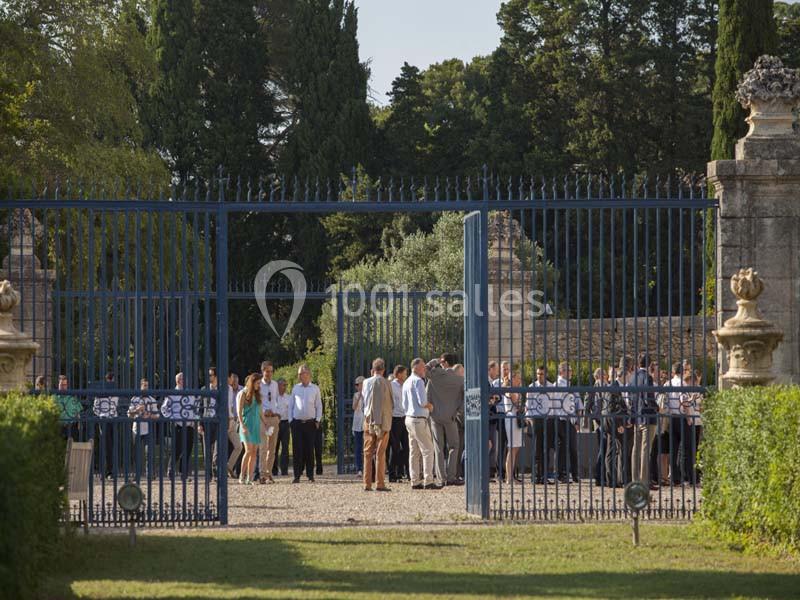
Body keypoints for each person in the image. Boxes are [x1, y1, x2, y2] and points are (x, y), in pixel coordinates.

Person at [426, 353, 464, 486]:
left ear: (446, 363)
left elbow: (427, 394)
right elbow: (465, 399)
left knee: (438, 448)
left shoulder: (434, 376)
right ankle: (451, 476)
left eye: (442, 362)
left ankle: (441, 478)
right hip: (451, 417)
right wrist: (457, 412)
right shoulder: (459, 380)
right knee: (454, 446)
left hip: (435, 417)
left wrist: (433, 362)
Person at [402, 358, 437, 489]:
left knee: (413, 451)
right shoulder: (418, 381)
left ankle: (414, 480)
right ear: (415, 368)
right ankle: (428, 481)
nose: (425, 370)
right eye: (423, 367)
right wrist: (430, 406)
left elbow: (404, 404)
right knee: (428, 449)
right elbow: (423, 402)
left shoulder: (406, 382)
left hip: (409, 419)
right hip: (418, 419)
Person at [361, 357, 394, 492]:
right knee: (380, 452)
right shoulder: (386, 383)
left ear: (372, 370)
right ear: (384, 370)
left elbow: (364, 399)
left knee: (367, 452)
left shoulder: (365, 382)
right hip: (383, 420)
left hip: (368, 419)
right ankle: (380, 483)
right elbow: (391, 402)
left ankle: (366, 483)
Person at [161, 372, 198, 480]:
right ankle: (171, 470)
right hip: (178, 425)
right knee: (177, 449)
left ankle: (184, 473)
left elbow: (195, 407)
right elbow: (164, 408)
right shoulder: (172, 394)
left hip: (190, 425)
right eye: (183, 379)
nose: (185, 381)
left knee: (188, 449)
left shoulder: (190, 393)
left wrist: (194, 419)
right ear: (178, 381)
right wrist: (172, 417)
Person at [289, 364, 322, 483]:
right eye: (299, 374)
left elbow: (319, 406)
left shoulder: (315, 389)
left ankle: (310, 475)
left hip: (310, 423)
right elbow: (291, 406)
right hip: (297, 423)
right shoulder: (295, 388)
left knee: (309, 449)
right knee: (297, 450)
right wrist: (290, 420)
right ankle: (296, 475)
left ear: (308, 374)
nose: (299, 376)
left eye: (301, 373)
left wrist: (318, 420)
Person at [630, 353, 658, 489]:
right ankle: (644, 481)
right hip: (648, 417)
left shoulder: (633, 377)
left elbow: (630, 398)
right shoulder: (647, 377)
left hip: (636, 417)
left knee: (636, 449)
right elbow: (649, 398)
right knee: (646, 449)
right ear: (650, 364)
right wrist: (657, 408)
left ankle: (635, 479)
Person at [605, 359, 632, 487]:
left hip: (619, 424)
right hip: (614, 425)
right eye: (628, 375)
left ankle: (617, 480)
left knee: (616, 451)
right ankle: (616, 480)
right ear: (624, 375)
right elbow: (611, 409)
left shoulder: (621, 387)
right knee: (616, 452)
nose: (630, 378)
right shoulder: (614, 388)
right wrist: (619, 425)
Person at [553, 362, 581, 483]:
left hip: (571, 420)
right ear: (562, 372)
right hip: (561, 419)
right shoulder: (557, 385)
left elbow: (577, 403)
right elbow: (557, 404)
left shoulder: (570, 385)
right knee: (563, 447)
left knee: (573, 448)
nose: (571, 373)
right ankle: (561, 473)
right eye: (568, 370)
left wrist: (578, 419)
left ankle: (574, 474)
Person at [526, 365, 553, 484]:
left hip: (548, 420)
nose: (539, 376)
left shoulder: (551, 387)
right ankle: (536, 475)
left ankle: (544, 475)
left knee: (546, 449)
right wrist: (530, 419)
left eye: (541, 374)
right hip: (536, 420)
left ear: (546, 374)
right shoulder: (531, 387)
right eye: (537, 374)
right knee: (537, 449)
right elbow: (528, 405)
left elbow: (554, 404)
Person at [128, 378, 158, 480]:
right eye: (144, 385)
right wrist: (137, 410)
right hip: (136, 429)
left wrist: (149, 415)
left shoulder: (152, 400)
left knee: (149, 452)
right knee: (136, 453)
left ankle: (149, 474)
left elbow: (157, 415)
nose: (146, 388)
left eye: (147, 386)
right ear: (140, 386)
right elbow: (129, 415)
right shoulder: (134, 399)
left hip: (148, 429)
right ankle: (137, 474)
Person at [257, 361, 280, 484]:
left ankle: (269, 473)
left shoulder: (275, 384)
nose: (269, 373)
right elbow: (258, 402)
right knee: (263, 447)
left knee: (272, 448)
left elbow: (276, 400)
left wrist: (276, 413)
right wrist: (264, 411)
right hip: (263, 418)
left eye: (271, 371)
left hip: (273, 418)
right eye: (267, 371)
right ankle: (261, 474)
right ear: (263, 371)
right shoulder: (259, 385)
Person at [237, 373, 263, 485]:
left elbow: (260, 411)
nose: (259, 385)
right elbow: (239, 411)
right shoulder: (243, 393)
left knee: (254, 452)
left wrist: (265, 422)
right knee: (248, 451)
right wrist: (242, 425)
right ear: (252, 382)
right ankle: (241, 476)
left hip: (256, 425)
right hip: (246, 424)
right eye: (257, 383)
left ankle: (250, 478)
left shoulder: (258, 394)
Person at [585, 367, 608, 486]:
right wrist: (595, 419)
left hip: (604, 421)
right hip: (600, 422)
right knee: (603, 449)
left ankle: (602, 475)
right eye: (604, 374)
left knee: (604, 448)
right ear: (598, 376)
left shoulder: (605, 386)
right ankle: (599, 476)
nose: (607, 377)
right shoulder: (595, 388)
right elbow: (588, 406)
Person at [93, 372, 119, 478]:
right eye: (110, 380)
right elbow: (95, 407)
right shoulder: (100, 392)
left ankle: (111, 470)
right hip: (104, 420)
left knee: (112, 446)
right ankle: (105, 471)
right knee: (105, 445)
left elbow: (114, 406)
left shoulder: (115, 392)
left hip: (112, 419)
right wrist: (102, 415)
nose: (111, 382)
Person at [503, 371, 525, 484]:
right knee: (512, 448)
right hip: (511, 418)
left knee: (515, 448)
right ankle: (509, 478)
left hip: (516, 419)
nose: (520, 380)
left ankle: (511, 476)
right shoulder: (509, 389)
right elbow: (516, 401)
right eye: (518, 378)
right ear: (513, 379)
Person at [388, 365, 409, 482]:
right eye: (405, 373)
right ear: (399, 374)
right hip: (395, 418)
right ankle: (392, 474)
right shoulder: (391, 386)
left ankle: (404, 472)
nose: (406, 375)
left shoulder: (405, 385)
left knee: (406, 447)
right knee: (395, 447)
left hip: (404, 418)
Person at [199, 367, 219, 480]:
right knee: (207, 450)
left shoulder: (221, 389)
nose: (209, 377)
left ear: (215, 376)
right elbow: (200, 408)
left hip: (217, 422)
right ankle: (208, 474)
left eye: (210, 375)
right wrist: (199, 424)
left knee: (217, 450)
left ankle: (215, 470)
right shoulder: (204, 390)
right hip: (206, 422)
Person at [272, 378, 292, 477]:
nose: (285, 387)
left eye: (286, 385)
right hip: (275, 423)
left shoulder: (289, 397)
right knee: (274, 447)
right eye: (283, 385)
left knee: (285, 448)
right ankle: (274, 470)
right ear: (278, 386)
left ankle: (284, 470)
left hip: (285, 423)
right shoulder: (273, 397)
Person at [226, 372, 243, 478]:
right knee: (222, 448)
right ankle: (217, 472)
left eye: (235, 381)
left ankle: (228, 466)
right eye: (232, 380)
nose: (233, 383)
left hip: (235, 421)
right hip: (226, 421)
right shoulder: (226, 389)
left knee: (238, 446)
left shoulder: (238, 390)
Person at [55, 374, 82, 440]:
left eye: (64, 385)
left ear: (67, 386)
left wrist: (79, 424)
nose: (63, 387)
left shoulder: (72, 398)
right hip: (58, 427)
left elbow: (78, 413)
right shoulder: (54, 398)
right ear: (58, 385)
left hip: (71, 427)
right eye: (61, 385)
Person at [351, 376, 365, 476]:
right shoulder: (356, 395)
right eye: (357, 385)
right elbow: (354, 407)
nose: (357, 386)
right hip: (357, 423)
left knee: (368, 447)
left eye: (359, 384)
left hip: (366, 423)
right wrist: (359, 396)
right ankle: (359, 468)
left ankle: (368, 468)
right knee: (358, 447)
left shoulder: (368, 394)